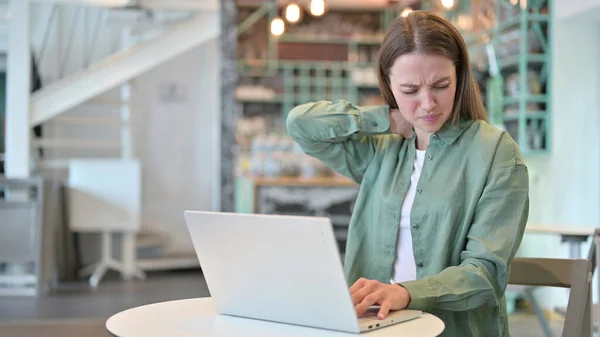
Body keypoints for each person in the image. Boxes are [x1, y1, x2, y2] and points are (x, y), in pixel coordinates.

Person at [286, 10, 529, 337]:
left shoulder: (496, 153)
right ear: (388, 85)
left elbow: (484, 272)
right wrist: (386, 119)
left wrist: (406, 291)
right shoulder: (381, 148)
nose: (427, 103)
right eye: (410, 90)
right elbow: (300, 124)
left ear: (459, 77)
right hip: (374, 327)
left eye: (441, 85)